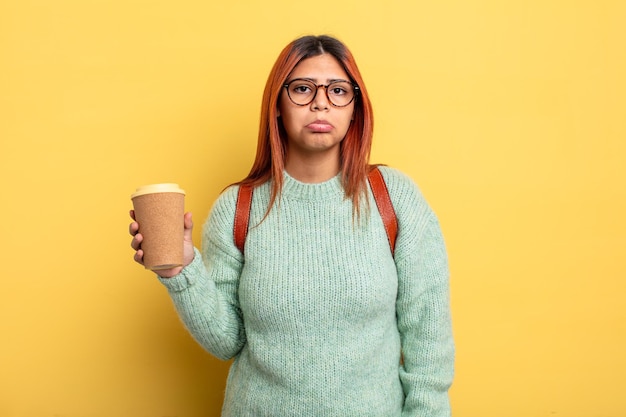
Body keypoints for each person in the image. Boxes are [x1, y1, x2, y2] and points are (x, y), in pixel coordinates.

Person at [129, 34, 454, 416]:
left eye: (337, 91)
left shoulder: (395, 198)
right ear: (278, 105)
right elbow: (227, 341)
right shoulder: (237, 208)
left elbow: (428, 345)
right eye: (302, 88)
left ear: (355, 108)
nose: (321, 102)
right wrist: (180, 270)